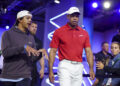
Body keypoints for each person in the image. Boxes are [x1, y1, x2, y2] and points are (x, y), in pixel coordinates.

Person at [49, 7, 95, 86]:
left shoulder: (84, 33)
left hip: (79, 66)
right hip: (65, 65)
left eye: (76, 16)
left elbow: (88, 52)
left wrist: (91, 69)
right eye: (72, 16)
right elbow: (53, 51)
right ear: (68, 17)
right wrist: (50, 71)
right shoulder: (59, 32)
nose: (75, 18)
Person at [0, 10, 41, 86]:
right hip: (8, 76)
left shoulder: (31, 37)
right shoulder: (7, 34)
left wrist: (39, 53)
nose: (30, 20)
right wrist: (23, 48)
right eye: (27, 18)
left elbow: (32, 59)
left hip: (25, 76)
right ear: (19, 19)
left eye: (30, 19)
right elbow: (5, 53)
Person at [28, 21, 48, 86]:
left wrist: (42, 69)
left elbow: (41, 56)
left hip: (34, 69)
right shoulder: (23, 38)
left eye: (36, 27)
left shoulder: (39, 41)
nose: (34, 28)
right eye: (32, 26)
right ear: (28, 27)